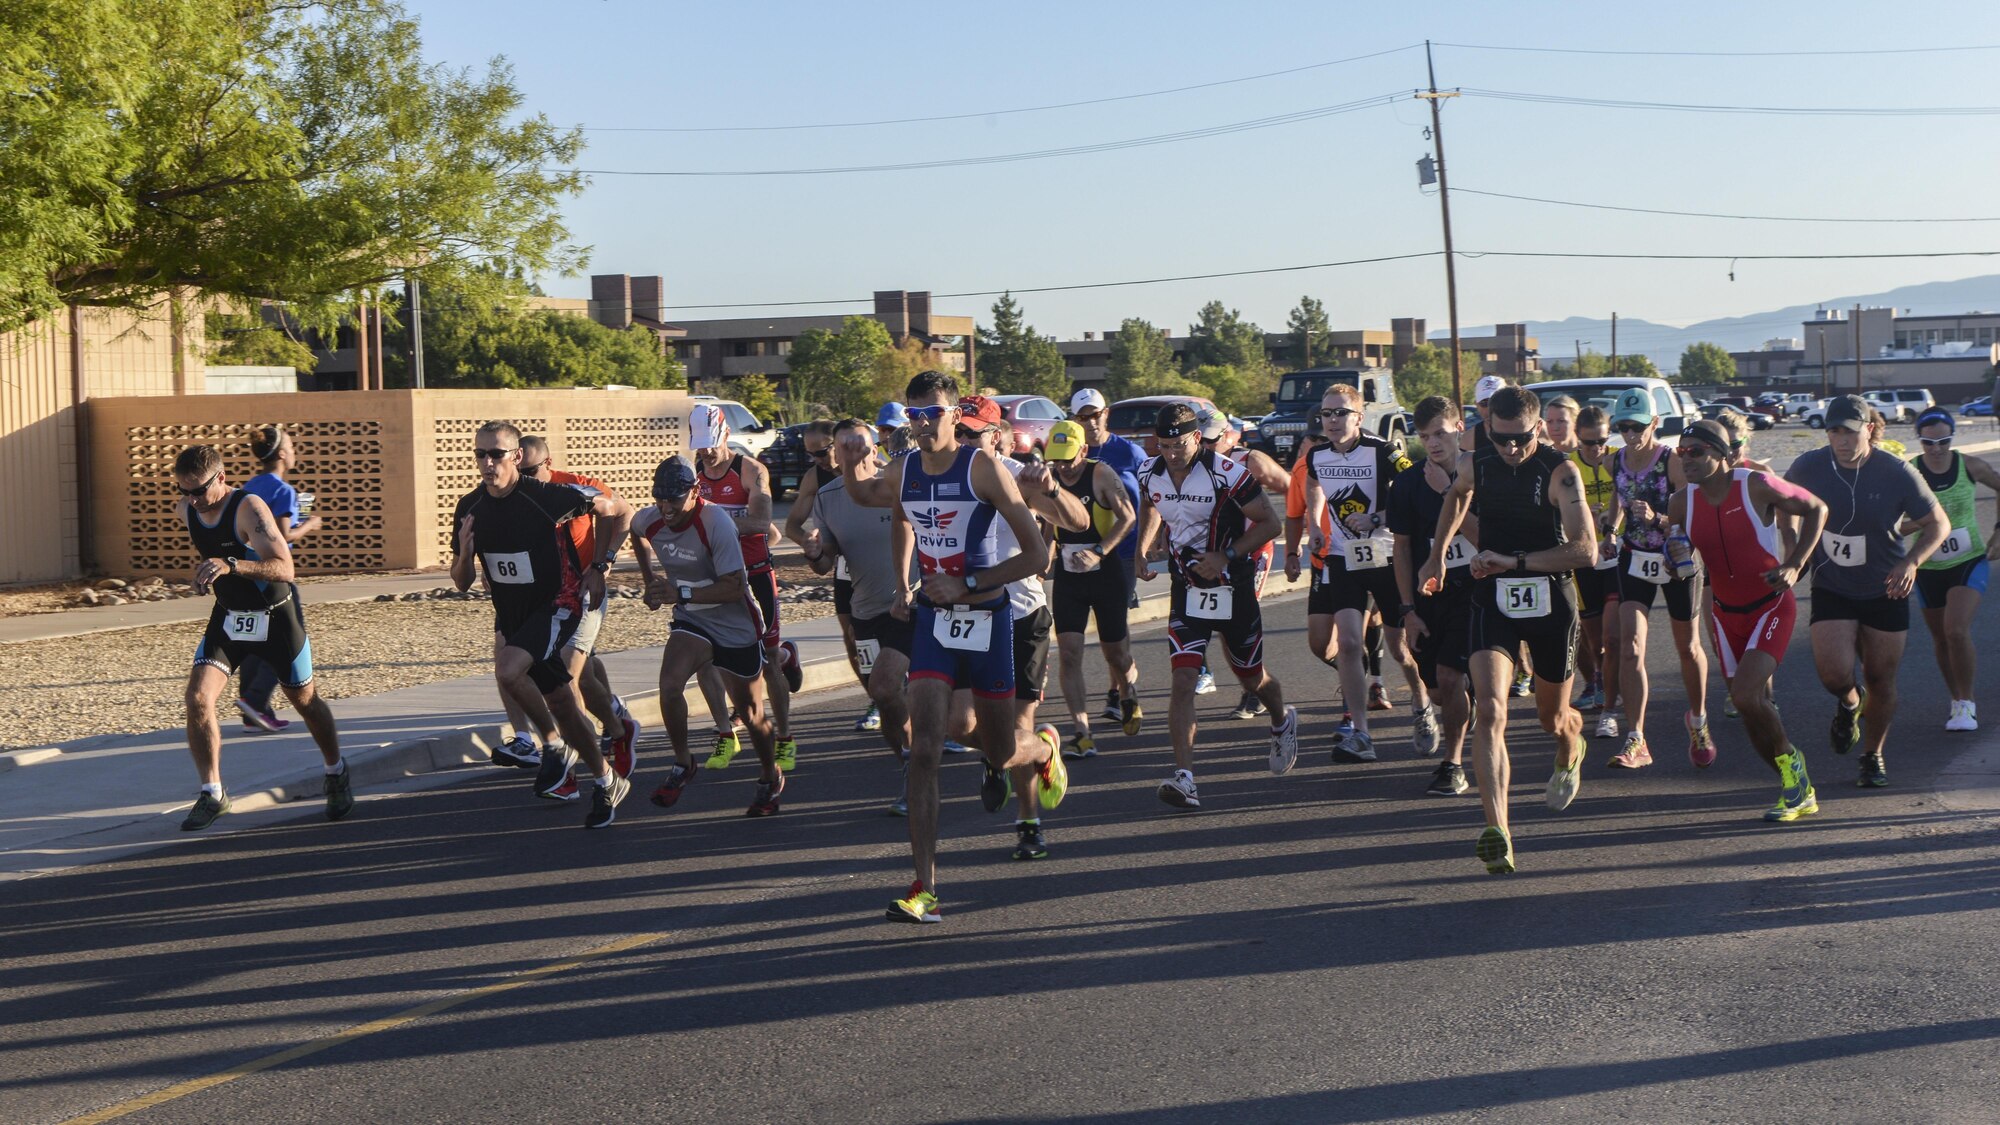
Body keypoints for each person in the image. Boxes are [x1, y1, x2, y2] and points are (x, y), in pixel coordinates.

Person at [835, 370, 1068, 925]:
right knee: (924, 752)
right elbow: (871, 496)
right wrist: (849, 457)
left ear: (952, 414)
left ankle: (1043, 750)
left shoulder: (980, 467)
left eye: (932, 414)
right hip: (934, 624)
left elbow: (1037, 556)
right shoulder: (907, 467)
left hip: (988, 619)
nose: (922, 425)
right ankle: (925, 888)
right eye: (913, 415)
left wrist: (968, 585)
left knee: (1000, 752)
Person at [1418, 385, 1594, 874]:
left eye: (1519, 440)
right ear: (1487, 430)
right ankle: (1499, 830)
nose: (1510, 450)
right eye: (1500, 439)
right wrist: (1435, 556)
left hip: (1550, 598)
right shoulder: (1479, 463)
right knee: (1492, 708)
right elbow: (1455, 497)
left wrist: (1515, 560)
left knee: (1550, 718)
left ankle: (1570, 742)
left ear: (1538, 428)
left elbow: (1585, 551)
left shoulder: (1560, 472)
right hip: (1491, 595)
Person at [451, 422, 633, 828]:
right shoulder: (470, 507)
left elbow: (619, 510)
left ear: (516, 457)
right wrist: (465, 553)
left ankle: (552, 746)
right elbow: (461, 581)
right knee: (566, 706)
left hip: (558, 605)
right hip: (514, 613)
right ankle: (607, 779)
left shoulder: (549, 497)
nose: (487, 462)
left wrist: (601, 565)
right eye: (480, 454)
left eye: (496, 454)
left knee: (507, 670)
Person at [172, 444, 351, 831]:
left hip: (274, 618)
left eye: (199, 491)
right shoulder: (187, 509)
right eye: (184, 491)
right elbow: (212, 551)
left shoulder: (249, 507)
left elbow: (285, 568)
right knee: (198, 697)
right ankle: (213, 793)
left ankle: (335, 771)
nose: (193, 500)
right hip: (230, 617)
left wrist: (231, 563)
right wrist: (208, 573)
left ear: (220, 478)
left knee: (304, 701)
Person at [1135, 402, 1299, 810]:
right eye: (1165, 446)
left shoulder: (1227, 473)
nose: (1172, 453)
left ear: (1196, 437)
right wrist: (1141, 548)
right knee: (1183, 681)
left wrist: (1225, 556)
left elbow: (1270, 524)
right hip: (1186, 588)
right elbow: (1150, 504)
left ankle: (1281, 720)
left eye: (1179, 444)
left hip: (1232, 586)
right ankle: (1185, 777)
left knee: (1251, 678)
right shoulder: (1148, 471)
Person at [944, 397, 1087, 860]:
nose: (963, 441)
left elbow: (1079, 521)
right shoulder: (937, 474)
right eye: (958, 431)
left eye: (972, 433)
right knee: (960, 722)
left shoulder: (1014, 475)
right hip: (965, 616)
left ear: (996, 436)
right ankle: (1002, 753)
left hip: (1020, 615)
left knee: (1017, 728)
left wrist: (1050, 491)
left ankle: (1030, 820)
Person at [1668, 421, 1829, 822]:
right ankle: (1793, 784)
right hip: (1724, 615)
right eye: (1680, 452)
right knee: (1751, 707)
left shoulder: (1755, 485)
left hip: (1771, 605)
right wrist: (1676, 559)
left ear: (1721, 455)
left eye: (1696, 451)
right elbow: (1679, 559)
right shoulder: (1680, 503)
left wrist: (1795, 564)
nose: (1686, 459)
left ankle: (1795, 771)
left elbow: (1817, 508)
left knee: (1744, 696)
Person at [1786, 395, 1949, 787]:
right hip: (1832, 585)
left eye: (1850, 432)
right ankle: (1848, 701)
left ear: (1870, 430)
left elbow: (1937, 524)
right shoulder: (1808, 466)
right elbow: (1782, 505)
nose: (1841, 440)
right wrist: (1796, 551)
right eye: (1834, 431)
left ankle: (1872, 755)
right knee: (1833, 674)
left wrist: (1910, 562)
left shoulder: (1896, 472)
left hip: (1885, 588)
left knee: (1881, 677)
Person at [631, 455, 785, 817]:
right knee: (669, 686)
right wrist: (650, 581)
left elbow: (734, 587)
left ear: (695, 492)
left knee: (750, 714)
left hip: (734, 624)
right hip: (693, 622)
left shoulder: (715, 522)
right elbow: (635, 532)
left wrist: (679, 592)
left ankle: (770, 773)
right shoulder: (650, 519)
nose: (666, 507)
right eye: (659, 498)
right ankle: (684, 763)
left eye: (674, 498)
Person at [1297, 383, 1435, 763]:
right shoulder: (1318, 455)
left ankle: (1421, 700)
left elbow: (1417, 494)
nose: (1333, 421)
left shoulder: (1383, 451)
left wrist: (1377, 518)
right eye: (1327, 414)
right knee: (1349, 644)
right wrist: (1315, 523)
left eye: (1341, 413)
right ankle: (1360, 732)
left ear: (1359, 417)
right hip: (1343, 559)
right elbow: (1312, 483)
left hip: (1388, 557)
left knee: (1399, 648)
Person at [514, 436, 640, 795]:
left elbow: (623, 512)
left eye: (534, 472)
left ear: (548, 464)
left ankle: (570, 767)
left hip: (584, 592)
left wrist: (603, 562)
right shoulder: (515, 496)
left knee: (564, 680)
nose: (529, 480)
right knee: (582, 680)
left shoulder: (574, 486)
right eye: (522, 473)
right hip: (543, 601)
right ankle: (619, 729)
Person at [685, 403, 802, 774]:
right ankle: (724, 733)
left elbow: (762, 521)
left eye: (710, 444)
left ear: (723, 434)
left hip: (753, 572)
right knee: (705, 658)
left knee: (767, 660)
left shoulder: (751, 470)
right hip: (713, 575)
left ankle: (783, 736)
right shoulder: (694, 473)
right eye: (699, 445)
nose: (705, 452)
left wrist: (714, 522)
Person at [806, 419, 915, 812]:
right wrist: (816, 553)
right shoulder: (828, 497)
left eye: (859, 443)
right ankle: (909, 761)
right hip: (866, 612)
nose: (852, 451)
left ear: (875, 447)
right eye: (843, 445)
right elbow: (827, 561)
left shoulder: (895, 484)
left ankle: (918, 771)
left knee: (888, 686)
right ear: (833, 452)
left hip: (910, 607)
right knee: (883, 697)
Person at [1604, 388, 1712, 770]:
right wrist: (1611, 531)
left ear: (1655, 423)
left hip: (1675, 558)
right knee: (1631, 647)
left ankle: (1698, 721)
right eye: (1623, 426)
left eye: (1638, 426)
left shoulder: (1672, 461)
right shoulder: (1613, 461)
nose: (1631, 434)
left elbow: (1691, 515)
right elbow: (1618, 500)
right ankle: (1636, 739)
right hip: (1634, 559)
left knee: (1688, 648)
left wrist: (1657, 519)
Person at [1389, 397, 1477, 797]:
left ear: (1459, 427)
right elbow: (1402, 549)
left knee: (1449, 677)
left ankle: (1453, 763)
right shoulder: (1407, 483)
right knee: (1440, 693)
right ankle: (1461, 706)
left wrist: (1449, 493)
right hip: (1428, 596)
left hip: (1475, 591)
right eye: (1425, 436)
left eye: (1440, 433)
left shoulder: (1481, 472)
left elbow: (1485, 537)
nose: (1434, 443)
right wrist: (1407, 610)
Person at [1045, 419, 1141, 758]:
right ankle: (1082, 733)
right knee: (1069, 654)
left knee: (1115, 653)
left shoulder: (1100, 474)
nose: (1063, 467)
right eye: (1056, 459)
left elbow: (1128, 517)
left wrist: (1099, 550)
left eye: (1069, 459)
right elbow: (1047, 519)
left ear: (1083, 451)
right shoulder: (1051, 477)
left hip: (1105, 572)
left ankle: (1128, 690)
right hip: (1069, 576)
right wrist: (1047, 554)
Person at [1905, 409, 2000, 731]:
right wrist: (1919, 525)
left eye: (1944, 441)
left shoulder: (1970, 466)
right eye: (1928, 442)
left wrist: (1999, 530)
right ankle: (1956, 702)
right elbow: (1892, 522)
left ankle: (1967, 703)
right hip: (1928, 566)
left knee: (1956, 630)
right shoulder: (1909, 473)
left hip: (1969, 560)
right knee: (1941, 639)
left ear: (1952, 438)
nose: (1936, 449)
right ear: (1920, 439)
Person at [783, 421, 879, 733]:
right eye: (811, 454)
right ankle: (875, 700)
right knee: (853, 638)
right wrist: (815, 545)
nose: (819, 460)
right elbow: (793, 525)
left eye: (823, 452)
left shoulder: (880, 468)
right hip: (845, 567)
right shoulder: (816, 479)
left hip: (885, 568)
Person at [1202, 409, 1293, 719]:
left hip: (1254, 550)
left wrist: (1303, 524)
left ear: (1229, 436)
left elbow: (1291, 487)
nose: (1205, 446)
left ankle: (1253, 692)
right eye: (1200, 439)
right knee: (1225, 629)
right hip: (1217, 555)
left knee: (1241, 620)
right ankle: (1251, 687)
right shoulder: (1194, 466)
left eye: (1212, 440)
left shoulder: (1250, 460)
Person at [234, 425, 323, 735]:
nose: (295, 450)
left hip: (247, 574)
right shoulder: (285, 492)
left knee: (255, 639)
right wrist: (311, 524)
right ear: (283, 455)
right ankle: (257, 701)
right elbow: (285, 536)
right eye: (292, 446)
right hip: (275, 577)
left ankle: (252, 712)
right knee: (289, 641)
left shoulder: (249, 486)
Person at [1070, 388, 1150, 709]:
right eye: (1082, 416)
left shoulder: (1130, 454)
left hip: (1124, 550)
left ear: (1107, 414)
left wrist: (1149, 543)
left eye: (1095, 414)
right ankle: (1124, 679)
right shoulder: (1071, 452)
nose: (1090, 422)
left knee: (1114, 623)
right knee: (1099, 628)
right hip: (1082, 550)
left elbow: (1151, 499)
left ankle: (1118, 690)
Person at [1568, 405, 1623, 735]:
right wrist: (1582, 512)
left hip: (1618, 555)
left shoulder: (1619, 458)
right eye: (1589, 443)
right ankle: (1599, 679)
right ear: (1578, 439)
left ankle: (1611, 693)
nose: (1597, 449)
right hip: (1584, 558)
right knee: (1592, 637)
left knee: (1612, 635)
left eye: (1602, 441)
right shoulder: (1568, 467)